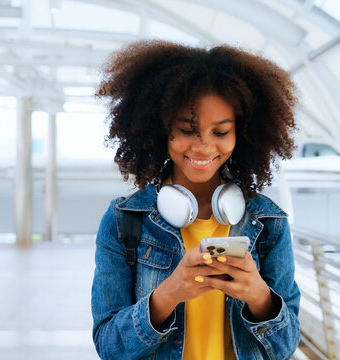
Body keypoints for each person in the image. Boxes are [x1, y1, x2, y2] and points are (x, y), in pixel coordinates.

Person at [91, 40, 300, 360]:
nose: (203, 147)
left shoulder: (267, 223)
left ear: (240, 135)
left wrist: (260, 298)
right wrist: (167, 296)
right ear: (161, 130)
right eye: (188, 129)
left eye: (220, 132)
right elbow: (109, 347)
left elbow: (285, 348)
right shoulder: (125, 221)